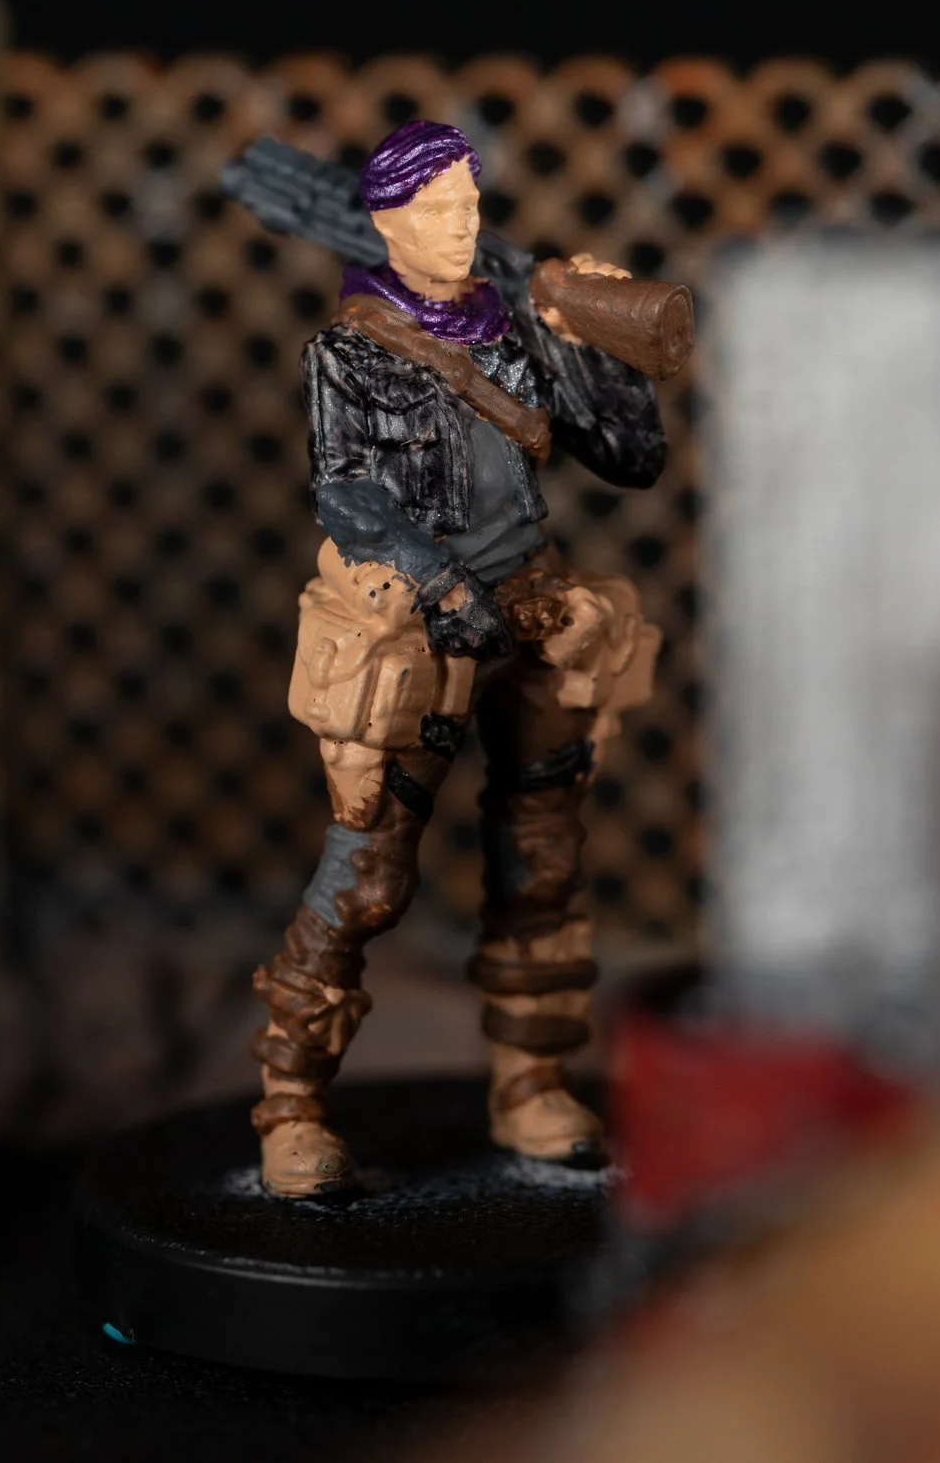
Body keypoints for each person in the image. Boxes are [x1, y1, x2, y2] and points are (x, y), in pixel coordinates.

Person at [256, 120, 667, 1197]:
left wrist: (591, 344)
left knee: (542, 857)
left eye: (470, 205)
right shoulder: (349, 351)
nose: (460, 225)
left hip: (531, 603)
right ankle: (291, 1101)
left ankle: (532, 1080)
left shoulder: (513, 326)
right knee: (366, 875)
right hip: (414, 622)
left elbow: (631, 458)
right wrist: (439, 588)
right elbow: (346, 493)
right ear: (385, 220)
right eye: (436, 208)